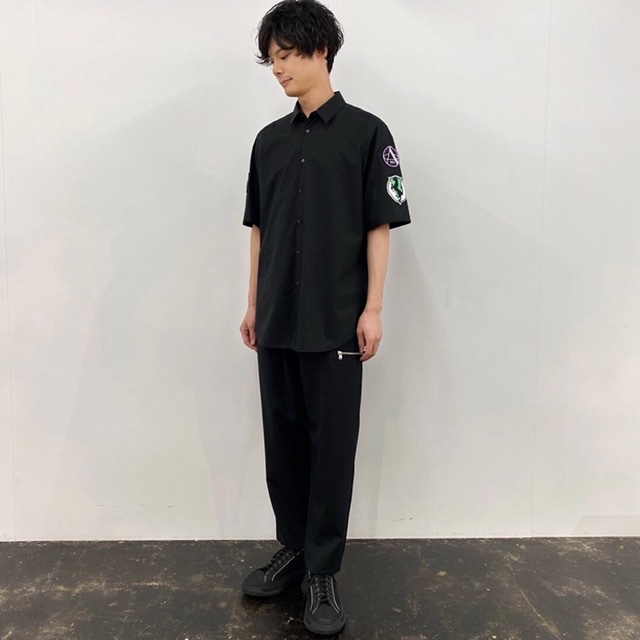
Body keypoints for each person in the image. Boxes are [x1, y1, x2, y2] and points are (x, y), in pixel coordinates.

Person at [238, 0, 411, 634]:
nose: (279, 68)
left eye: (287, 55)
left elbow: (379, 225)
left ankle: (323, 571)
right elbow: (259, 229)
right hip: (277, 320)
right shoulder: (269, 142)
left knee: (331, 447)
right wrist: (253, 303)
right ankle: (292, 549)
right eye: (272, 59)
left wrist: (374, 307)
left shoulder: (367, 134)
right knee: (282, 442)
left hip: (337, 320)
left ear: (321, 52)